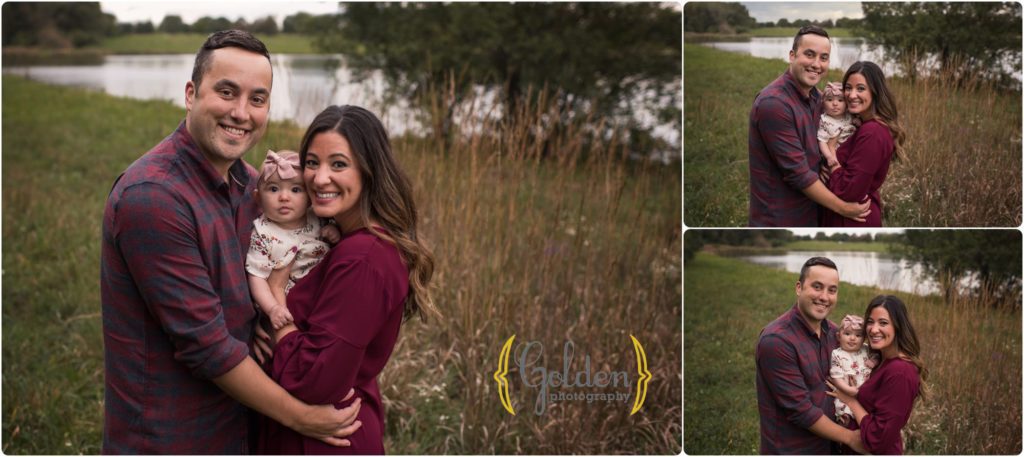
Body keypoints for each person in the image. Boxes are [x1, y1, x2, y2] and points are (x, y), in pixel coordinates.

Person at [100, 30, 361, 453]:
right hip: (171, 438)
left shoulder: (253, 186)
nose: (242, 112)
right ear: (190, 94)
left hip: (241, 430)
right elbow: (206, 347)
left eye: (257, 99)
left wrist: (262, 321)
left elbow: (272, 272)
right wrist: (302, 417)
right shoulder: (153, 197)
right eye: (226, 92)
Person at [256, 105, 437, 454]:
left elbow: (314, 378)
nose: (320, 178)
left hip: (325, 438)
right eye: (312, 162)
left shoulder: (364, 259)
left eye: (338, 164)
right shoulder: (337, 238)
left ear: (370, 171)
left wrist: (276, 303)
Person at [748, 25, 871, 227]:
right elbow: (798, 174)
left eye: (823, 58)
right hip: (780, 218)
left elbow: (824, 139)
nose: (816, 64)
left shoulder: (817, 98)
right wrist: (843, 208)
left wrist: (824, 162)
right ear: (792, 55)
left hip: (811, 212)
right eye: (809, 54)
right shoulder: (774, 104)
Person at [755, 257, 866, 454]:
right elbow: (801, 411)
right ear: (799, 288)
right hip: (793, 450)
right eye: (817, 287)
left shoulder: (834, 333)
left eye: (832, 290)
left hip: (831, 448)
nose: (824, 297)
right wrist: (850, 438)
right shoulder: (776, 341)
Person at [247, 150, 340, 330]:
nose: (284, 197)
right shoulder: (262, 233)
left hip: (324, 296)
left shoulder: (317, 218)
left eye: (296, 189)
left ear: (310, 197)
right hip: (288, 307)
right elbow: (256, 277)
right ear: (258, 198)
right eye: (273, 189)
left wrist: (333, 232)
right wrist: (273, 308)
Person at [827, 295, 926, 455]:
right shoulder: (878, 359)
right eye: (870, 322)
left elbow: (877, 438)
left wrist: (851, 402)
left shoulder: (901, 372)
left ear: (898, 326)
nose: (873, 329)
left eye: (883, 323)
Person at [820, 61, 907, 227]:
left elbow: (849, 190)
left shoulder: (872, 132)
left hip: (853, 218)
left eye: (860, 88)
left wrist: (831, 160)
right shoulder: (860, 125)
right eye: (848, 88)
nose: (852, 95)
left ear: (875, 92)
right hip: (842, 213)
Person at [829, 314, 878, 425]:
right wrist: (849, 390)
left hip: (866, 389)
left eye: (858, 335)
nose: (852, 338)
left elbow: (877, 356)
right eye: (847, 334)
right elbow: (836, 377)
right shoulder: (837, 354)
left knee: (871, 407)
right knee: (841, 404)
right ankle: (845, 419)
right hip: (847, 391)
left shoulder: (865, 349)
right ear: (838, 336)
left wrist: (873, 361)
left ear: (864, 338)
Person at [817, 82, 860, 177]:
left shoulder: (849, 116)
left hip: (852, 150)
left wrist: (857, 121)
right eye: (829, 100)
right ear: (823, 103)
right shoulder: (825, 121)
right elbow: (822, 141)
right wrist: (829, 157)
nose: (835, 104)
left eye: (840, 100)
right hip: (836, 155)